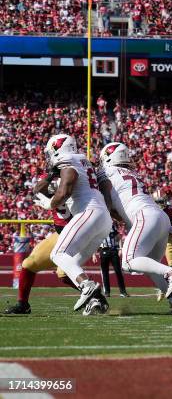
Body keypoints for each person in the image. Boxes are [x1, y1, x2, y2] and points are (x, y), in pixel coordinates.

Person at [97, 142, 172, 315]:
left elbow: (108, 201)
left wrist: (103, 216)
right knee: (150, 268)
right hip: (159, 217)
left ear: (108, 158)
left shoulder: (106, 172)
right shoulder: (133, 173)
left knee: (129, 262)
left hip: (145, 216)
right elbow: (120, 205)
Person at [33, 134, 112, 315]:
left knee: (58, 254)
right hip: (103, 218)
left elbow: (66, 188)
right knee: (70, 266)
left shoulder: (67, 160)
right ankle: (95, 301)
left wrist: (50, 203)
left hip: (89, 212)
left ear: (57, 148)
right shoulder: (83, 160)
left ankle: (87, 286)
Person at [4, 174, 78, 315]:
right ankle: (23, 304)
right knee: (29, 264)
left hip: (77, 235)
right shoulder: (56, 184)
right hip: (61, 234)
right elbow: (41, 192)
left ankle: (95, 295)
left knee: (62, 273)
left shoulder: (74, 188)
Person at [97, 223, 128, 298]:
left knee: (118, 271)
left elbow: (118, 237)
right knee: (105, 272)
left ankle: (123, 292)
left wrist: (120, 248)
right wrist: (94, 254)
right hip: (103, 250)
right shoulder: (98, 227)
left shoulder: (112, 226)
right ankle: (107, 292)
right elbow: (95, 241)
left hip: (113, 250)